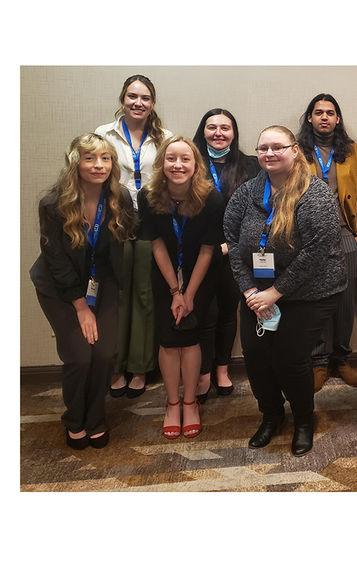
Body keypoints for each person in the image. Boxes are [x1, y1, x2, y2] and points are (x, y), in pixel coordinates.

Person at [224, 125, 345, 456]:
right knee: (257, 357)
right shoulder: (249, 192)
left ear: (295, 151)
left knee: (290, 359)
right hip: (258, 293)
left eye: (277, 147)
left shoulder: (315, 193)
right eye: (263, 148)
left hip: (311, 290)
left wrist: (275, 292)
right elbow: (233, 241)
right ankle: (271, 415)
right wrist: (249, 290)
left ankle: (304, 420)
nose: (269, 153)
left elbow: (317, 251)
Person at [30, 133, 136, 449]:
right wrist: (80, 306)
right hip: (60, 289)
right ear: (76, 164)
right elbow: (57, 260)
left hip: (102, 284)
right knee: (79, 356)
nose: (98, 165)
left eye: (105, 158)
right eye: (89, 158)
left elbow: (129, 236)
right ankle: (74, 419)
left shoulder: (122, 199)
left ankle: (95, 417)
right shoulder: (53, 204)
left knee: (104, 354)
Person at [138, 136, 224, 440]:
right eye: (171, 159)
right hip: (164, 276)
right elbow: (157, 244)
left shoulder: (211, 198)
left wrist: (188, 295)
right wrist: (175, 292)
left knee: (189, 337)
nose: (178, 165)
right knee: (167, 339)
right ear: (162, 163)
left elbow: (207, 250)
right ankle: (172, 403)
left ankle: (191, 403)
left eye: (185, 159)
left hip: (200, 275)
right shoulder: (147, 197)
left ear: (196, 164)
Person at [95, 74, 172, 399]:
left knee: (144, 294)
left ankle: (139, 367)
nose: (138, 103)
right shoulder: (103, 134)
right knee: (115, 294)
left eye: (145, 97)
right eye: (132, 96)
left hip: (150, 223)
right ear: (123, 99)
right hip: (115, 220)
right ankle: (115, 366)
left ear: (152, 103)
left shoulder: (164, 137)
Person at [297, 93, 357, 391]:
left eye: (330, 112)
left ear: (337, 119)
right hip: (308, 236)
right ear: (310, 118)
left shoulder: (352, 151)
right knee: (314, 298)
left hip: (345, 233)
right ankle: (318, 362)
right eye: (318, 112)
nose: (324, 117)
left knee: (346, 299)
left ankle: (341, 359)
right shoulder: (297, 151)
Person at [192, 108, 261, 402]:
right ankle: (203, 373)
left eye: (225, 127)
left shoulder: (250, 165)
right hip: (199, 252)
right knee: (204, 315)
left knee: (227, 313)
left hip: (236, 252)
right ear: (203, 130)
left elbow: (256, 209)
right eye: (212, 127)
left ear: (234, 133)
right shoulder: (190, 162)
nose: (218, 133)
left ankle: (222, 368)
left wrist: (231, 245)